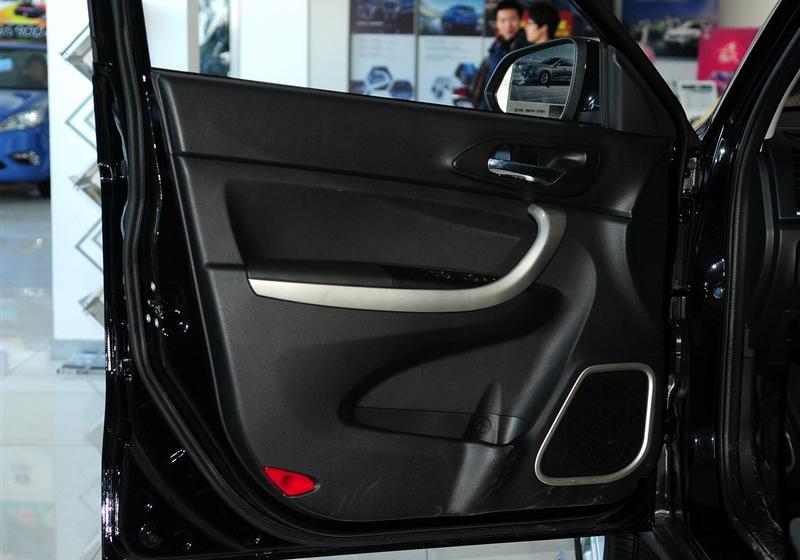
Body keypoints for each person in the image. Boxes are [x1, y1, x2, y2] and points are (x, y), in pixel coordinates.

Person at [470, 0, 529, 109]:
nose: (508, 25)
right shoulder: (495, 47)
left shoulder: (529, 47)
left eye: (512, 19)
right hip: (488, 108)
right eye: (503, 20)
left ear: (520, 20)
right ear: (497, 23)